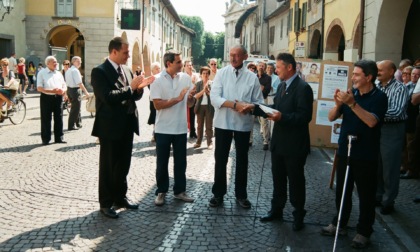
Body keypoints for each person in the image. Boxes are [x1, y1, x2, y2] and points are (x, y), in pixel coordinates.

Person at [321, 59, 388, 249]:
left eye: (357, 74)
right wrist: (337, 104)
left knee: (366, 195)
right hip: (345, 150)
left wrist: (352, 105)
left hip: (366, 154)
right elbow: (332, 117)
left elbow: (372, 122)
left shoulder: (379, 98)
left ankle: (364, 231)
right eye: (353, 74)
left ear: (369, 77)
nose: (353, 77)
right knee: (342, 191)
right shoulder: (351, 94)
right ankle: (340, 223)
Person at [91, 37, 154, 219]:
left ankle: (120, 197)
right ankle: (106, 203)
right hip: (110, 127)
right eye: (126, 53)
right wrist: (130, 88)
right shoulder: (99, 71)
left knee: (123, 164)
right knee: (108, 166)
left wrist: (139, 88)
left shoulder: (126, 70)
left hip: (127, 123)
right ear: (114, 52)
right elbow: (107, 97)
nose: (128, 56)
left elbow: (132, 96)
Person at [258, 53, 313, 232]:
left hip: (295, 145)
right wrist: (258, 109)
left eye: (278, 67)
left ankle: (298, 215)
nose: (275, 70)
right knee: (278, 179)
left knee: (296, 181)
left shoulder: (303, 88)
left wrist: (283, 117)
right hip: (279, 143)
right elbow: (277, 109)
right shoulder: (281, 85)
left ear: (289, 67)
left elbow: (304, 117)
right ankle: (277, 210)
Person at [209, 45, 263, 209]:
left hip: (242, 124)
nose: (233, 58)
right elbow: (215, 98)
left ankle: (241, 195)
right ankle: (218, 194)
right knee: (221, 159)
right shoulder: (222, 73)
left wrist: (248, 107)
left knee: (242, 161)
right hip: (223, 123)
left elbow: (258, 102)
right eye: (231, 55)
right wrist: (235, 104)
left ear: (245, 56)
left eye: (237, 55)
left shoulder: (252, 78)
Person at [150, 50, 196, 206]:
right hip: (163, 128)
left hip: (181, 128)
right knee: (162, 163)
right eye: (178, 62)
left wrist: (190, 99)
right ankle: (161, 192)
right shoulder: (156, 80)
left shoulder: (186, 78)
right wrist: (177, 99)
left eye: (181, 61)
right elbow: (157, 104)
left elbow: (189, 104)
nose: (181, 64)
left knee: (181, 162)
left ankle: (179, 191)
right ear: (168, 63)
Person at [376, 60, 408, 215]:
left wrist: (374, 115)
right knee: (378, 164)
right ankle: (378, 196)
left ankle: (388, 201)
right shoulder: (376, 86)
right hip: (378, 127)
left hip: (393, 129)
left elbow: (395, 112)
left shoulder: (399, 88)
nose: (377, 72)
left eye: (381, 70)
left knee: (390, 166)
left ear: (391, 72)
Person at [36, 56, 68, 145]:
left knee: (59, 118)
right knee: (46, 118)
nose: (56, 63)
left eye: (56, 62)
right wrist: (52, 91)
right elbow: (39, 88)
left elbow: (64, 84)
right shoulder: (42, 73)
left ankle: (59, 138)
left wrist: (64, 91)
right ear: (48, 63)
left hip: (58, 97)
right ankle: (46, 139)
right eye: (53, 62)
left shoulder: (58, 73)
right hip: (46, 98)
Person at [65, 56, 90, 131]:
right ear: (73, 62)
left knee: (76, 108)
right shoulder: (75, 70)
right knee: (75, 109)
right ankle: (71, 125)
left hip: (70, 90)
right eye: (78, 61)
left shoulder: (68, 70)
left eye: (80, 61)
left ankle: (78, 123)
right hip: (75, 90)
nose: (80, 63)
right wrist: (86, 92)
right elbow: (80, 83)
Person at [193, 66, 214, 149]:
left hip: (209, 106)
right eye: (203, 73)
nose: (205, 75)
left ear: (209, 75)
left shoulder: (212, 83)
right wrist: (203, 91)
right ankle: (198, 142)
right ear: (201, 74)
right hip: (200, 106)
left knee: (209, 125)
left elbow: (214, 96)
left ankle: (210, 143)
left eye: (207, 73)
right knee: (199, 125)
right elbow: (196, 96)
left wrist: (208, 92)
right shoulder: (198, 84)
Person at [257, 61, 271, 150]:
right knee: (250, 120)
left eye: (263, 66)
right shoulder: (253, 77)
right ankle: (249, 140)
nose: (261, 67)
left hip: (263, 100)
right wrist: (261, 87)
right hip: (253, 100)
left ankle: (266, 141)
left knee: (264, 121)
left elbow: (267, 90)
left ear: (265, 68)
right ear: (257, 67)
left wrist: (261, 88)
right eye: (260, 66)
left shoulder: (268, 78)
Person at [183, 59, 198, 139]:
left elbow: (198, 86)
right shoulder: (182, 76)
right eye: (188, 65)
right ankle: (184, 132)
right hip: (184, 98)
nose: (189, 67)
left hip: (193, 98)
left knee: (192, 115)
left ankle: (193, 131)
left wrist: (194, 83)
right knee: (184, 115)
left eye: (191, 65)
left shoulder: (196, 76)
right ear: (184, 67)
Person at [148, 62, 161, 142]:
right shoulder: (151, 79)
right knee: (154, 116)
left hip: (161, 100)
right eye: (156, 68)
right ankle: (154, 133)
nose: (158, 70)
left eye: (159, 68)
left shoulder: (163, 77)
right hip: (153, 100)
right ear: (152, 70)